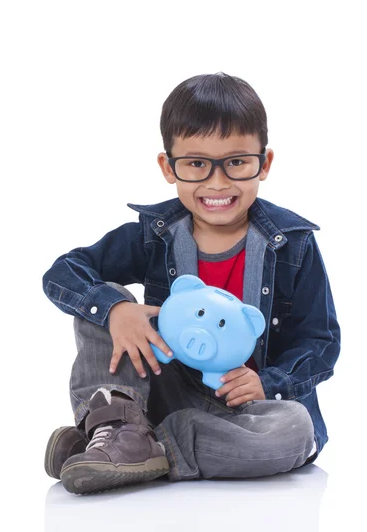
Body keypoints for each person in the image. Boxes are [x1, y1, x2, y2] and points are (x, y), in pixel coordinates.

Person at [42, 72, 340, 495]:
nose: (217, 183)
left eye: (236, 162)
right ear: (168, 167)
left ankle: (137, 450)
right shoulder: (154, 234)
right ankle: (115, 426)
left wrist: (269, 383)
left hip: (242, 410)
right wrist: (115, 309)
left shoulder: (292, 245)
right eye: (197, 164)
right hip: (162, 389)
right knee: (105, 303)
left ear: (265, 163)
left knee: (294, 429)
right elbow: (64, 271)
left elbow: (321, 341)